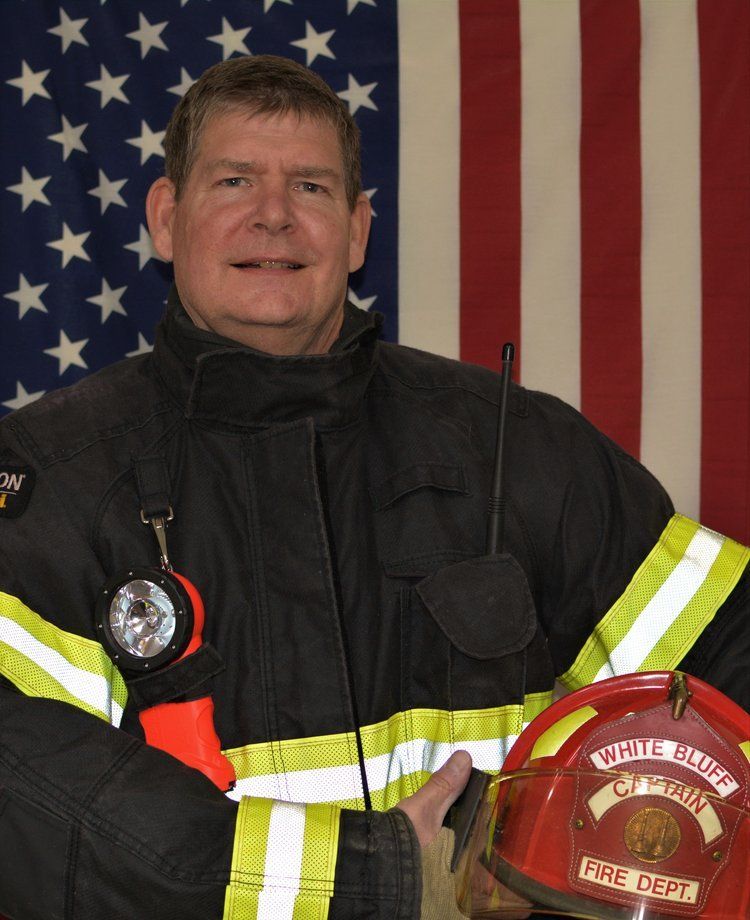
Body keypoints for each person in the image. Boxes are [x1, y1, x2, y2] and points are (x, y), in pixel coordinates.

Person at [0, 54, 747, 920]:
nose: (274, 214)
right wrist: (376, 876)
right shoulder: (50, 480)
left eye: (311, 187)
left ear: (357, 233)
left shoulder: (516, 445)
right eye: (235, 180)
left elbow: (726, 661)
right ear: (166, 220)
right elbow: (36, 803)